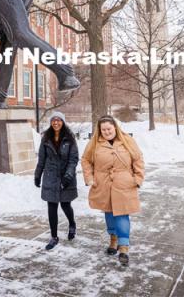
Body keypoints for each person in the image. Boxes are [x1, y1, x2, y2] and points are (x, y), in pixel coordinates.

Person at [81, 115, 144, 266]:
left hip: (124, 183)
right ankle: (113, 239)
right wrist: (90, 178)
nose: (106, 132)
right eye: (103, 130)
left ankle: (124, 247)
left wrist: (138, 178)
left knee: (122, 214)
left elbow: (138, 159)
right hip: (103, 184)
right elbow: (85, 160)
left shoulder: (127, 140)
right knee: (109, 213)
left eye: (109, 128)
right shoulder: (95, 143)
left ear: (115, 127)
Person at [34, 111, 79, 250]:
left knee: (66, 205)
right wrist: (37, 175)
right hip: (50, 177)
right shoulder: (46, 138)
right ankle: (54, 237)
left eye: (59, 120)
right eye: (54, 120)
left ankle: (72, 224)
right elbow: (41, 159)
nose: (56, 122)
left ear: (63, 122)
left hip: (66, 177)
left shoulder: (70, 138)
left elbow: (73, 160)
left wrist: (68, 177)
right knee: (52, 207)